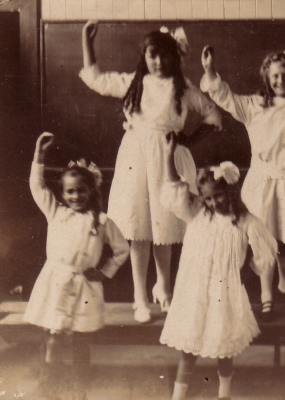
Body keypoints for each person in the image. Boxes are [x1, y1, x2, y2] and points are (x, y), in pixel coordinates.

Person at [80, 21, 222, 323]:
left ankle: (164, 289)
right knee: (139, 232)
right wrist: (87, 42)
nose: (158, 62)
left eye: (164, 56)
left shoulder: (183, 89)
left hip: (169, 160)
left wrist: (188, 139)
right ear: (144, 57)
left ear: (175, 57)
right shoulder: (134, 82)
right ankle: (140, 297)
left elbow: (213, 114)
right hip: (136, 159)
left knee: (164, 230)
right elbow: (95, 79)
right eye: (152, 55)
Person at [200, 46, 285, 312]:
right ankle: (265, 294)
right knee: (263, 238)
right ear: (267, 78)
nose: (280, 81)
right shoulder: (255, 105)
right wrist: (210, 71)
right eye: (275, 76)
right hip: (263, 182)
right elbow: (226, 97)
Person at [159, 132, 277, 400]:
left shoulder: (246, 222)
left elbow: (265, 256)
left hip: (224, 293)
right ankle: (178, 396)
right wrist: (168, 156)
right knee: (188, 350)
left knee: (223, 348)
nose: (214, 203)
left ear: (231, 191)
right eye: (208, 198)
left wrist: (246, 266)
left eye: (219, 197)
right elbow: (175, 188)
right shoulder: (199, 214)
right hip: (194, 292)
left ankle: (224, 394)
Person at [25, 132, 129, 399]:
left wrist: (104, 271)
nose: (76, 196)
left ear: (92, 190)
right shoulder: (56, 213)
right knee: (52, 336)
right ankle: (49, 385)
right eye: (70, 191)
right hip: (55, 282)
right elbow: (37, 187)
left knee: (81, 341)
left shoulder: (102, 221)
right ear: (62, 193)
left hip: (85, 287)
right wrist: (39, 157)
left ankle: (78, 388)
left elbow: (121, 249)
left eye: (81, 190)